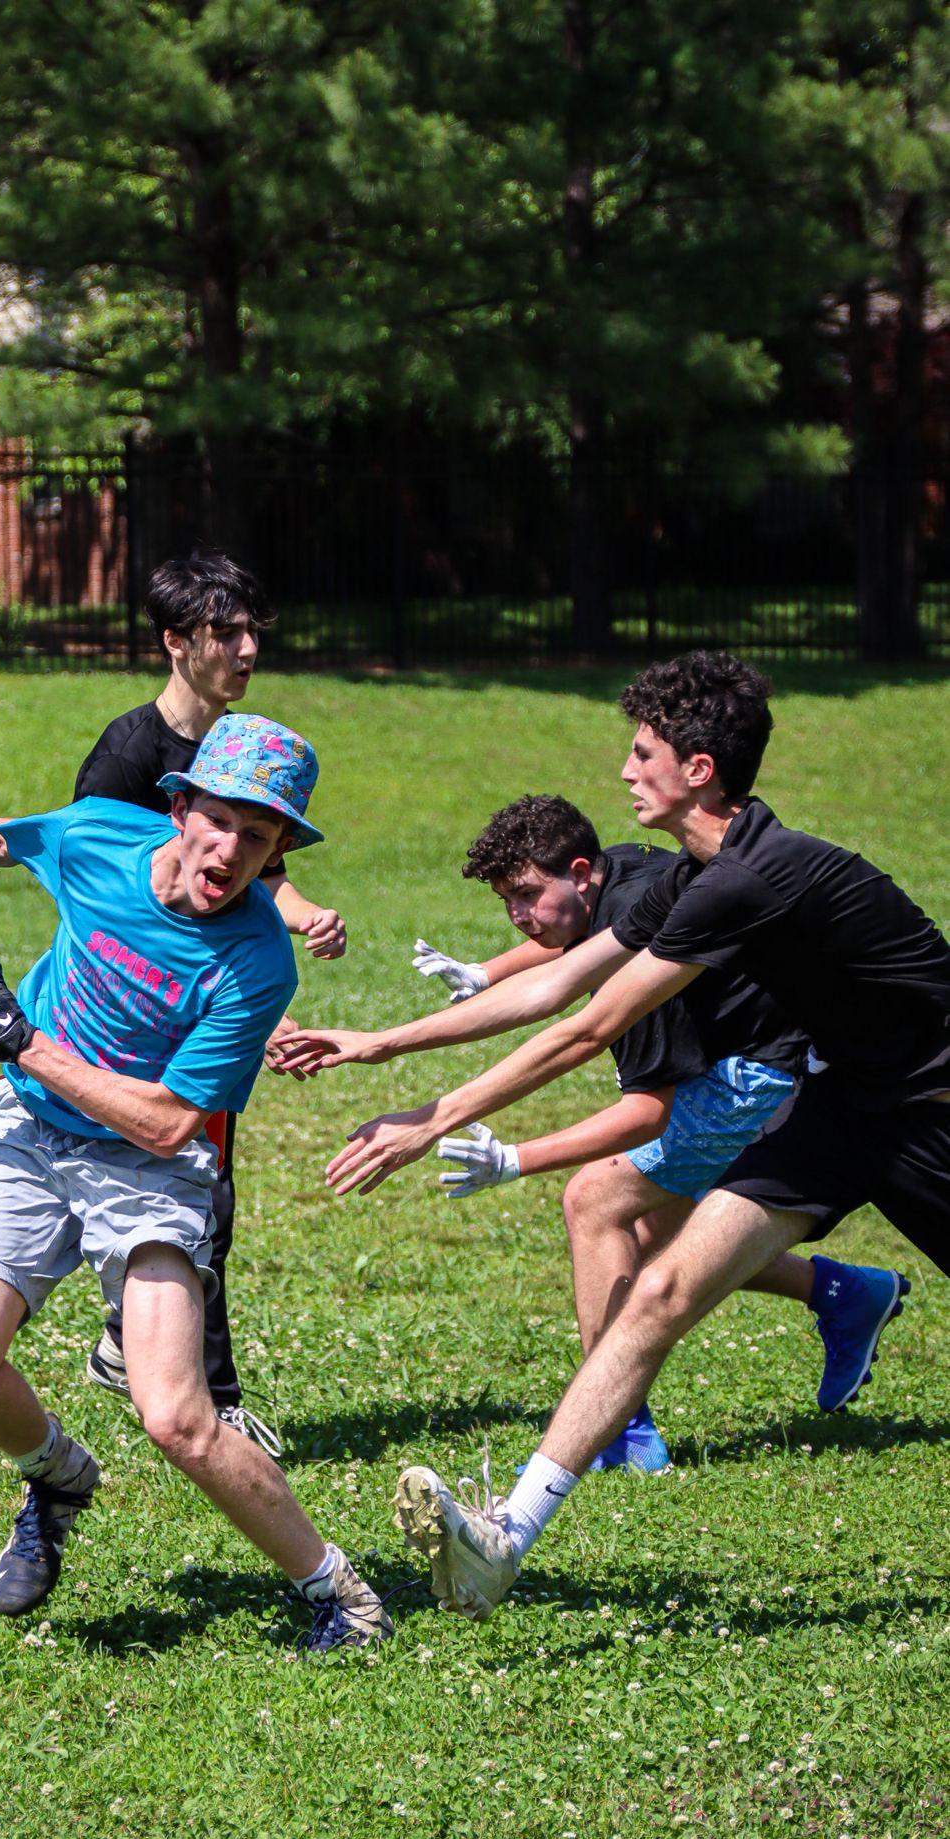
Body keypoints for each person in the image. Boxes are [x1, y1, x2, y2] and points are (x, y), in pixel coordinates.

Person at [308, 651, 947, 1619]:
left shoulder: (751, 877)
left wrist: (434, 1119)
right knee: (658, 1287)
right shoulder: (691, 875)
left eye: (643, 752)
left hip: (932, 1109)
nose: (623, 770)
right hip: (842, 1105)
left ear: (699, 769)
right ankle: (504, 1539)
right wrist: (383, 1043)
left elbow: (589, 1029)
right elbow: (557, 983)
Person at [0, 714, 392, 1654]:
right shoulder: (99, 836)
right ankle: (58, 1475)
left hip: (146, 1167)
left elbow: (167, 1123)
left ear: (277, 850)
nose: (229, 852)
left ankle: (340, 1594)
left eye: (257, 836)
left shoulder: (255, 964)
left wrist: (24, 1044)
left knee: (178, 1418)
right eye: (219, 821)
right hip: (32, 1131)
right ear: (179, 809)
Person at [278, 792, 895, 1466]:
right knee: (656, 1231)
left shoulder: (639, 955)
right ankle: (843, 1294)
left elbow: (645, 1106)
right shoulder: (620, 871)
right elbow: (557, 965)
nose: (518, 917)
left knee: (596, 1200)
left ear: (579, 872)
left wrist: (508, 1156)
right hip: (788, 1057)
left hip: (770, 1076)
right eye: (506, 902)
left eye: (526, 895)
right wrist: (405, 1027)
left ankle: (618, 1431)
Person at [73, 550, 347, 1455]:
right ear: (175, 642)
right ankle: (206, 1397)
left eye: (251, 632)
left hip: (205, 1006)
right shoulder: (129, 754)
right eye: (224, 633)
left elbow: (251, 877)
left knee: (202, 1198)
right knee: (184, 1194)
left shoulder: (242, 746)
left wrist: (302, 918)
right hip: (143, 1016)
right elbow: (104, 883)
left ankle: (137, 1347)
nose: (246, 649)